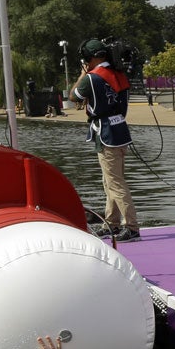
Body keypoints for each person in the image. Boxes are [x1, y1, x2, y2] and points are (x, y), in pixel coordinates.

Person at [73, 39, 139, 243]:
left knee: (115, 183)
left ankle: (132, 227)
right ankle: (111, 223)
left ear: (91, 58)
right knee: (109, 180)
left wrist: (84, 72)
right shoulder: (119, 74)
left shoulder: (92, 78)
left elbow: (73, 96)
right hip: (120, 131)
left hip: (106, 134)